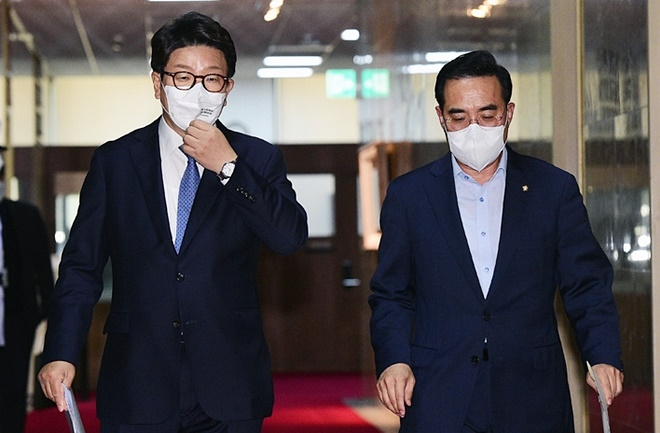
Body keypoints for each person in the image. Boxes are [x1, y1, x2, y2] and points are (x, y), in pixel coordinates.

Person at [38, 11, 308, 433]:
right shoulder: (116, 162)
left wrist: (229, 168)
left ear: (228, 88)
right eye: (183, 77)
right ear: (157, 83)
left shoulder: (257, 158)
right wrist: (61, 351)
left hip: (230, 380)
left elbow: (288, 237)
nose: (197, 91)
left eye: (211, 79)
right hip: (137, 378)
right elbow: (80, 268)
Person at [368, 50, 624, 433]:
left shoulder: (553, 189)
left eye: (487, 115)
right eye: (459, 117)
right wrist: (394, 360)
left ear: (508, 113)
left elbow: (586, 284)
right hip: (439, 392)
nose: (474, 128)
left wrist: (602, 355)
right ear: (441, 117)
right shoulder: (410, 196)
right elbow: (391, 294)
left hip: (532, 395)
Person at [0, 147, 54, 433]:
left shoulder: (24, 215)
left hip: (17, 317)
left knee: (13, 388)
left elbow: (42, 269)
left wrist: (46, 312)